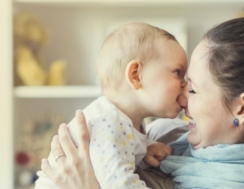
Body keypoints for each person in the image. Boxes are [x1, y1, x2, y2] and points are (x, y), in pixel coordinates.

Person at [40, 17, 244, 189]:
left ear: (242, 109)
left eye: (193, 89)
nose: (181, 99)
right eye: (181, 80)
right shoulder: (166, 135)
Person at [35, 22, 187, 189]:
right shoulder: (109, 123)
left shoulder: (123, 121)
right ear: (136, 75)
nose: (185, 85)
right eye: (177, 72)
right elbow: (120, 183)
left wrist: (144, 148)